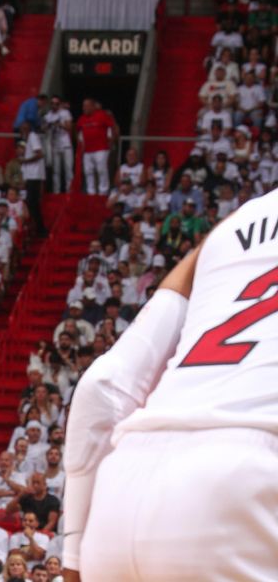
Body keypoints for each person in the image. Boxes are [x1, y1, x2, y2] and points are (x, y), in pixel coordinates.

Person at [62, 189, 278, 581]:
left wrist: (74, 550)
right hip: (249, 482)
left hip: (121, 490)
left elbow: (102, 384)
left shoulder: (234, 225)